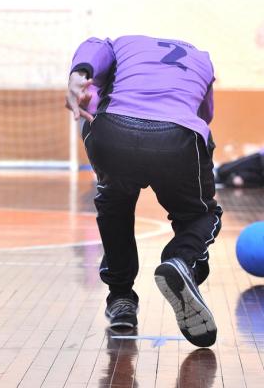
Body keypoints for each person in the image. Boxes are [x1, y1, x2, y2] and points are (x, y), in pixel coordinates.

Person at [66, 35, 223, 347]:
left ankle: (121, 298)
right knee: (200, 215)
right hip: (178, 137)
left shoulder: (119, 44)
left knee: (115, 204)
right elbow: (203, 116)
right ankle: (184, 260)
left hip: (113, 134)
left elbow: (93, 49)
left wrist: (78, 75)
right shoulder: (202, 58)